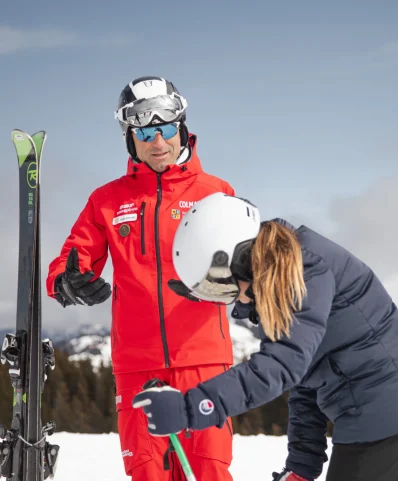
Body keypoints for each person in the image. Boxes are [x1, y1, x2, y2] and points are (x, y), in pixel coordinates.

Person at [46, 78, 236, 481]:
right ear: (130, 139)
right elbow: (69, 260)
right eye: (145, 132)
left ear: (182, 128)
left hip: (204, 362)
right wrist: (68, 282)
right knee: (148, 473)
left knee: (209, 472)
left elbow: (247, 264)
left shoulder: (216, 193)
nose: (158, 141)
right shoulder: (107, 200)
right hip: (137, 366)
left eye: (166, 129)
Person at [133, 192, 398, 481]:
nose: (235, 301)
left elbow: (283, 365)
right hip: (371, 417)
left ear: (242, 258)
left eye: (222, 287)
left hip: (383, 415)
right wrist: (301, 467)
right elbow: (305, 381)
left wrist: (190, 407)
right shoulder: (283, 272)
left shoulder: (305, 270)